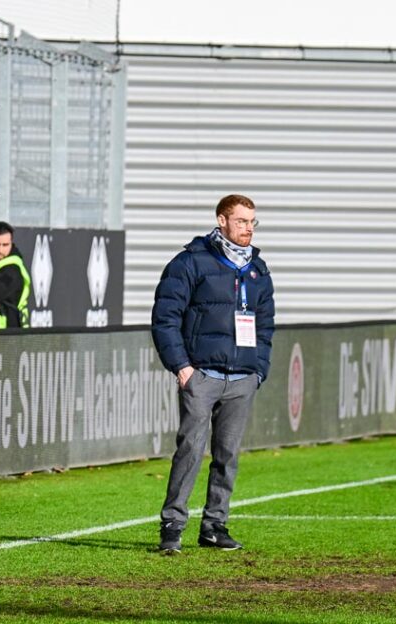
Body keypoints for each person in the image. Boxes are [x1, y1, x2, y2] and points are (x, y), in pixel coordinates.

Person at [151, 194, 275, 554]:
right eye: (241, 221)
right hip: (201, 375)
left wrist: (258, 370)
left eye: (252, 222)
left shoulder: (258, 269)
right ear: (221, 221)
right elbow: (165, 318)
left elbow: (265, 324)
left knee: (228, 455)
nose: (248, 228)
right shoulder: (190, 262)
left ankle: (215, 526)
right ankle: (172, 527)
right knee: (190, 449)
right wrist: (183, 367)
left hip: (243, 378)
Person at [0, 221, 31, 329]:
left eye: (5, 245)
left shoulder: (12, 270)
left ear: (11, 243)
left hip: (8, 334)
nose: (0, 250)